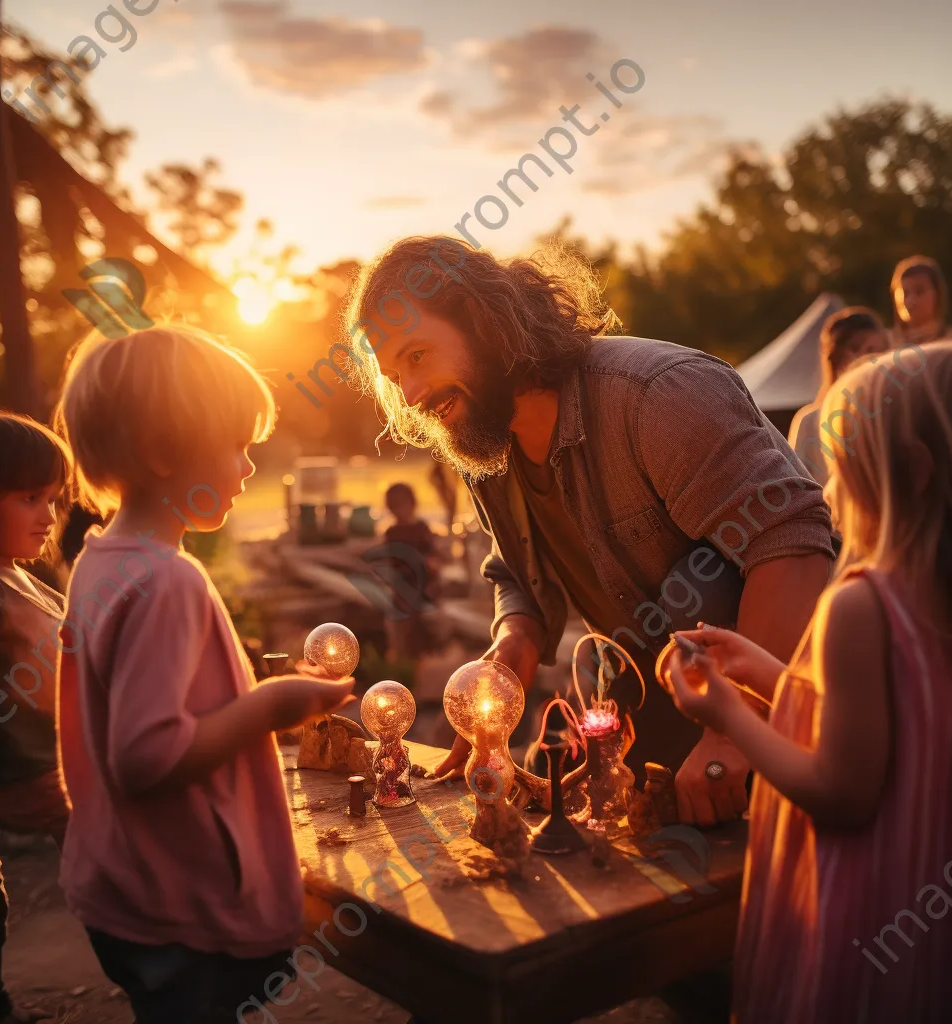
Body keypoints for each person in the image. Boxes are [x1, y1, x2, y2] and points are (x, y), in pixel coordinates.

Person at [340, 235, 835, 825]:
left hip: (802, 722)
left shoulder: (658, 393)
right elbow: (514, 570)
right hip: (655, 710)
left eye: (417, 355)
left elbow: (793, 544)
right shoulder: (486, 439)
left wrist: (739, 732)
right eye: (395, 375)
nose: (412, 395)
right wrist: (511, 650)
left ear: (484, 324)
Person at [662, 340, 952, 1023]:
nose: (826, 487)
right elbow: (897, 717)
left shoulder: (864, 605)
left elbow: (842, 792)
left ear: (910, 474)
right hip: (942, 884)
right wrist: (765, 671)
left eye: (844, 464)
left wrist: (728, 715)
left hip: (872, 891)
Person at [51, 325, 355, 1024]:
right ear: (162, 453)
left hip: (121, 882)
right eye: (237, 445)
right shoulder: (167, 582)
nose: (248, 467)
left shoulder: (101, 561)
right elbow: (144, 756)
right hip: (174, 903)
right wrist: (273, 705)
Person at [0, 413, 74, 1024]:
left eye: (52, 498)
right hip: (25, 774)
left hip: (58, 772)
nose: (48, 515)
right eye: (29, 498)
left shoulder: (21, 579)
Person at [788, 307, 890, 487]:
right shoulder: (810, 421)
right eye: (863, 350)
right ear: (837, 358)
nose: (873, 359)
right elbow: (798, 491)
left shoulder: (892, 413)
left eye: (879, 351)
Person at [379, 482, 440, 661]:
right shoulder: (392, 533)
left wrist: (430, 566)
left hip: (425, 585)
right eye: (396, 507)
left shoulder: (421, 529)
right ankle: (405, 658)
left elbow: (433, 556)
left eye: (403, 506)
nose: (401, 511)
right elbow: (392, 563)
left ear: (413, 504)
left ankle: (422, 656)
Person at [890, 254, 952, 345]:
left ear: (937, 294)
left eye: (919, 291)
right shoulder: (886, 345)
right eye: (905, 293)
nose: (911, 300)